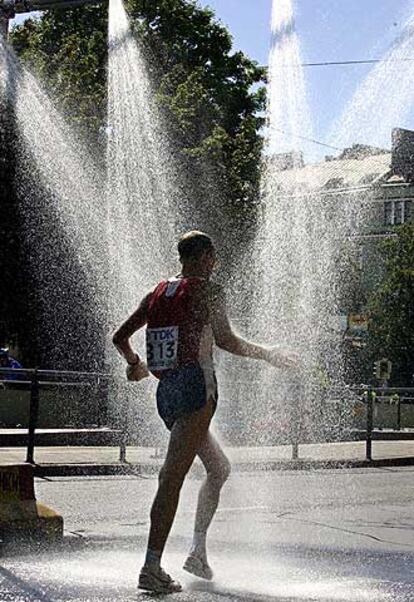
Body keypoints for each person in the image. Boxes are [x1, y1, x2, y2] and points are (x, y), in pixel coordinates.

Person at [112, 230, 298, 594]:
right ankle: (151, 567)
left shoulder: (157, 293)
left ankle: (197, 551)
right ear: (207, 256)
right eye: (213, 257)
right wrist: (269, 354)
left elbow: (120, 336)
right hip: (197, 389)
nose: (215, 263)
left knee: (218, 468)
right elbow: (226, 340)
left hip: (167, 394)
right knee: (172, 477)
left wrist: (135, 364)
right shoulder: (208, 291)